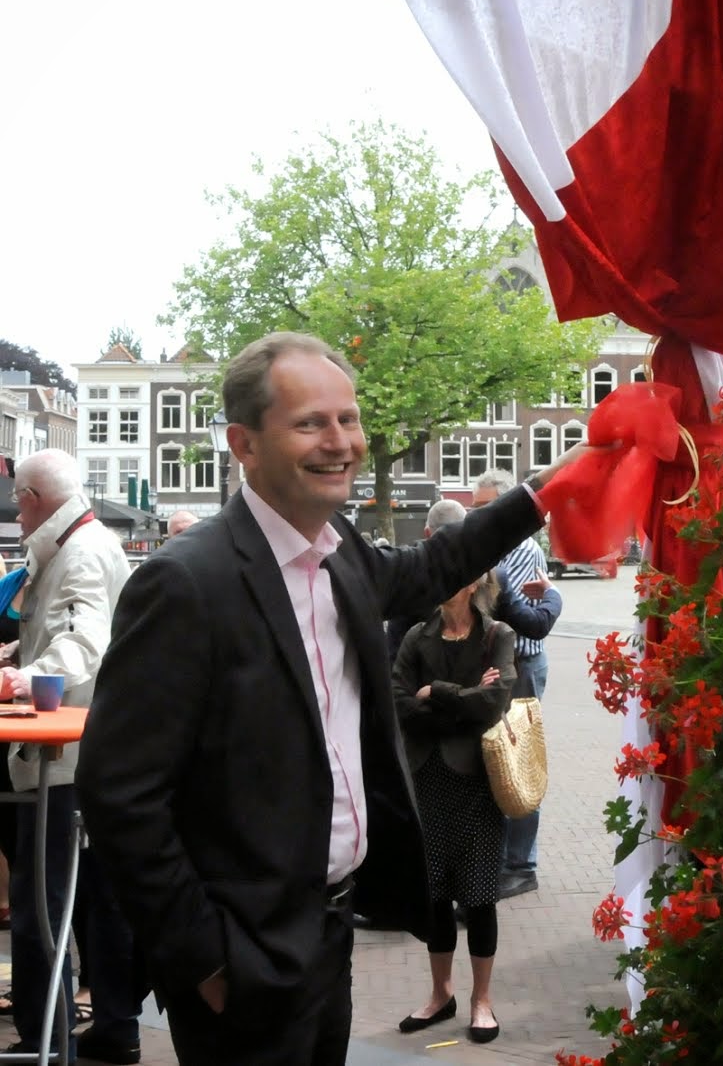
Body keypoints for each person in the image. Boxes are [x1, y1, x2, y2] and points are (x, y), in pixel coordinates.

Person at [77, 332, 582, 1066]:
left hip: (332, 930)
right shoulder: (186, 583)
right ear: (243, 443)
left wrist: (543, 493)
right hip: (244, 953)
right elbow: (119, 792)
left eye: (348, 420)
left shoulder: (338, 546)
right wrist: (204, 960)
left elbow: (427, 567)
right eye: (311, 422)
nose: (341, 442)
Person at [6, 448, 140, 1063]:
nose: (15, 509)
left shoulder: (82, 553)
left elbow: (82, 646)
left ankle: (48, 1036)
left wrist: (17, 681)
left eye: (18, 498)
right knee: (92, 900)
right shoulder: (76, 543)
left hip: (65, 759)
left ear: (34, 498)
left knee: (45, 900)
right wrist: (18, 661)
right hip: (83, 753)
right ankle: (108, 1028)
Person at [392, 512, 514, 1043]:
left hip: (477, 781)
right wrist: (456, 698)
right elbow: (397, 702)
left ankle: (481, 1000)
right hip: (427, 779)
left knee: (480, 895)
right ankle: (439, 993)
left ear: (472, 581)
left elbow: (495, 701)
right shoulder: (417, 636)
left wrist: (434, 693)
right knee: (435, 894)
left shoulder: (498, 635)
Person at [472, 470, 559, 896]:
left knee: (518, 757)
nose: (481, 515)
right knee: (496, 761)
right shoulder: (491, 548)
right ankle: (505, 859)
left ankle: (521, 866)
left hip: (520, 665)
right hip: (504, 666)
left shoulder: (519, 550)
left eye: (488, 506)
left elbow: (502, 610)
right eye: (477, 507)